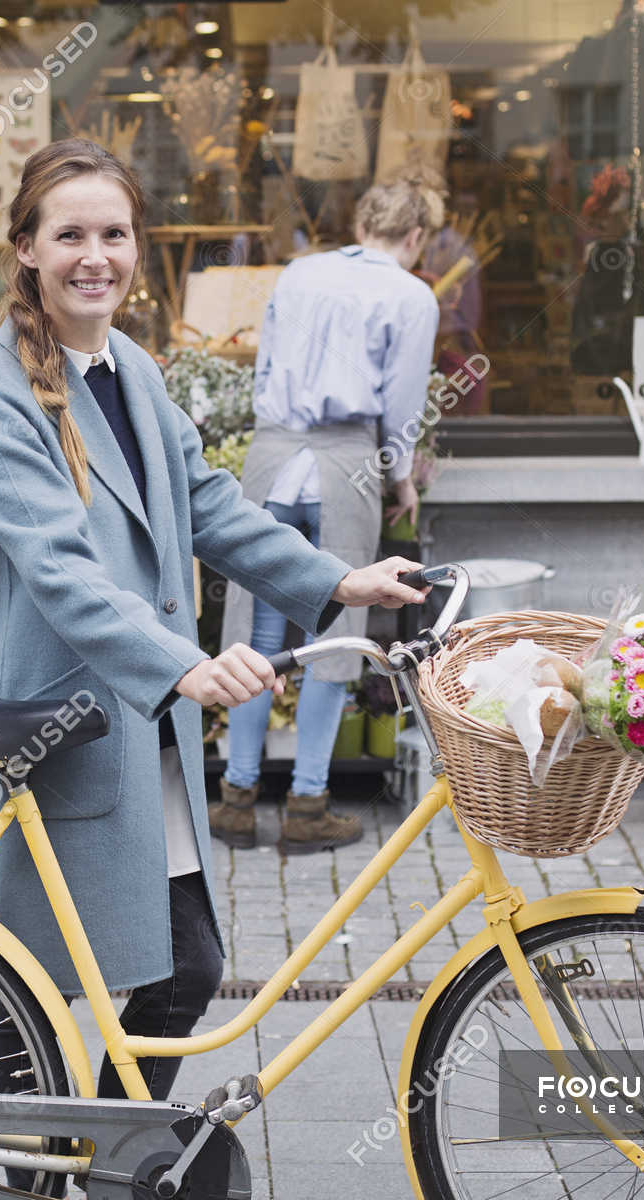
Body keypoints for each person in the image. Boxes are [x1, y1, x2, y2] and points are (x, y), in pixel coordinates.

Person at [0, 139, 427, 1120]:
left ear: (138, 247)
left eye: (114, 234)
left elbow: (209, 505)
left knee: (173, 965)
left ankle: (104, 1152)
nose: (96, 256)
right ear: (27, 251)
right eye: (69, 233)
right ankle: (55, 1162)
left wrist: (343, 580)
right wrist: (187, 666)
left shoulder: (133, 370)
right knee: (46, 981)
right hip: (68, 720)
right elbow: (62, 575)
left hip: (138, 720)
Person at [211, 182, 441, 854]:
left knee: (255, 635)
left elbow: (264, 368)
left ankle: (236, 798)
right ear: (416, 236)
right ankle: (307, 805)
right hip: (346, 462)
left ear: (361, 220)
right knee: (336, 633)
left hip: (271, 451)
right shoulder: (410, 294)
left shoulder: (300, 271)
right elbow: (402, 403)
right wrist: (402, 478)